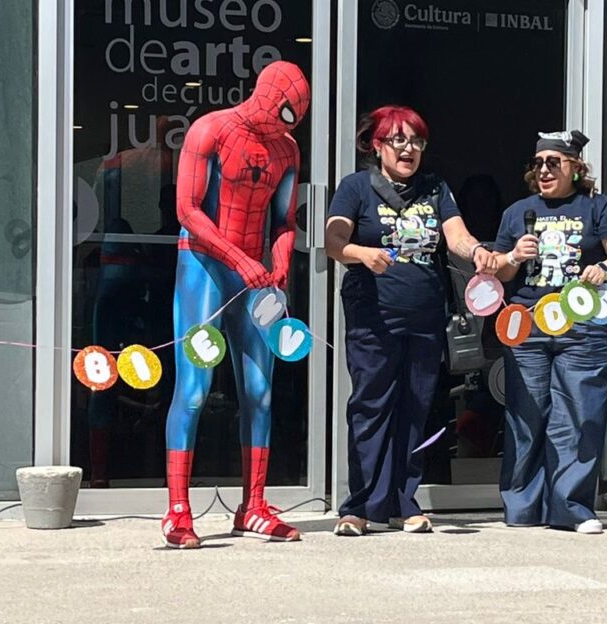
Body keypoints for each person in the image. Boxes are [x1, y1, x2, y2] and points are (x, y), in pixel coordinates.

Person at [325, 105, 495, 536]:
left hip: (424, 314)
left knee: (415, 408)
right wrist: (361, 254)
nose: (409, 149)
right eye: (398, 140)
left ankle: (405, 501)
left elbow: (455, 236)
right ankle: (359, 507)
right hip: (372, 315)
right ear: (376, 144)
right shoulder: (356, 187)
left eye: (416, 141)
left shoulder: (434, 188)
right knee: (371, 406)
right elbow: (333, 239)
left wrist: (477, 253)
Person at [160, 61, 310, 549]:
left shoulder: (287, 149)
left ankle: (254, 505)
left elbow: (285, 220)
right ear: (266, 95)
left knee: (260, 390)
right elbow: (187, 209)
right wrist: (243, 260)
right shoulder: (211, 129)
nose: (287, 124)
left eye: (296, 117)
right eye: (285, 112)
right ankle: (178, 510)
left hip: (254, 274)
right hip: (203, 266)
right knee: (195, 385)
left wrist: (280, 260)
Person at [490, 130, 607, 534]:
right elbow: (500, 274)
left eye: (554, 163)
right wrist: (512, 256)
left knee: (579, 414)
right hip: (528, 322)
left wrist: (604, 269)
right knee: (527, 414)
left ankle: (571, 509)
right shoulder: (518, 211)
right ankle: (522, 508)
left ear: (575, 167)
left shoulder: (597, 207)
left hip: (582, 324)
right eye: (538, 164)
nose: (544, 170)